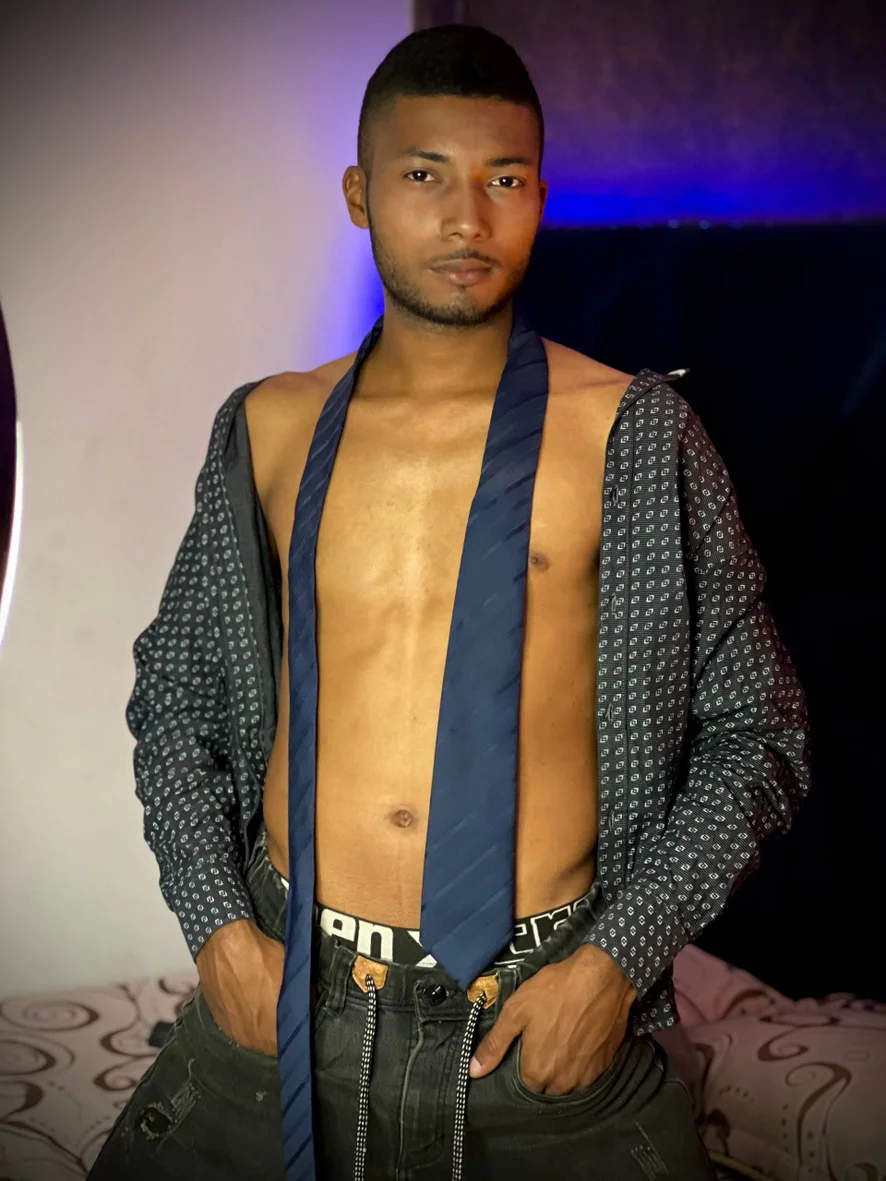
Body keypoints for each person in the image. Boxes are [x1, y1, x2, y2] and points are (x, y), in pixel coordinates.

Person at [87, 23, 810, 1181]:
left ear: (539, 199)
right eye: (424, 175)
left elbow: (760, 731)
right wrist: (218, 926)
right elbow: (174, 692)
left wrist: (614, 964)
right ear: (360, 194)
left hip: (539, 1012)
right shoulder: (269, 427)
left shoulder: (633, 437)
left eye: (503, 179)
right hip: (291, 989)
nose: (467, 218)